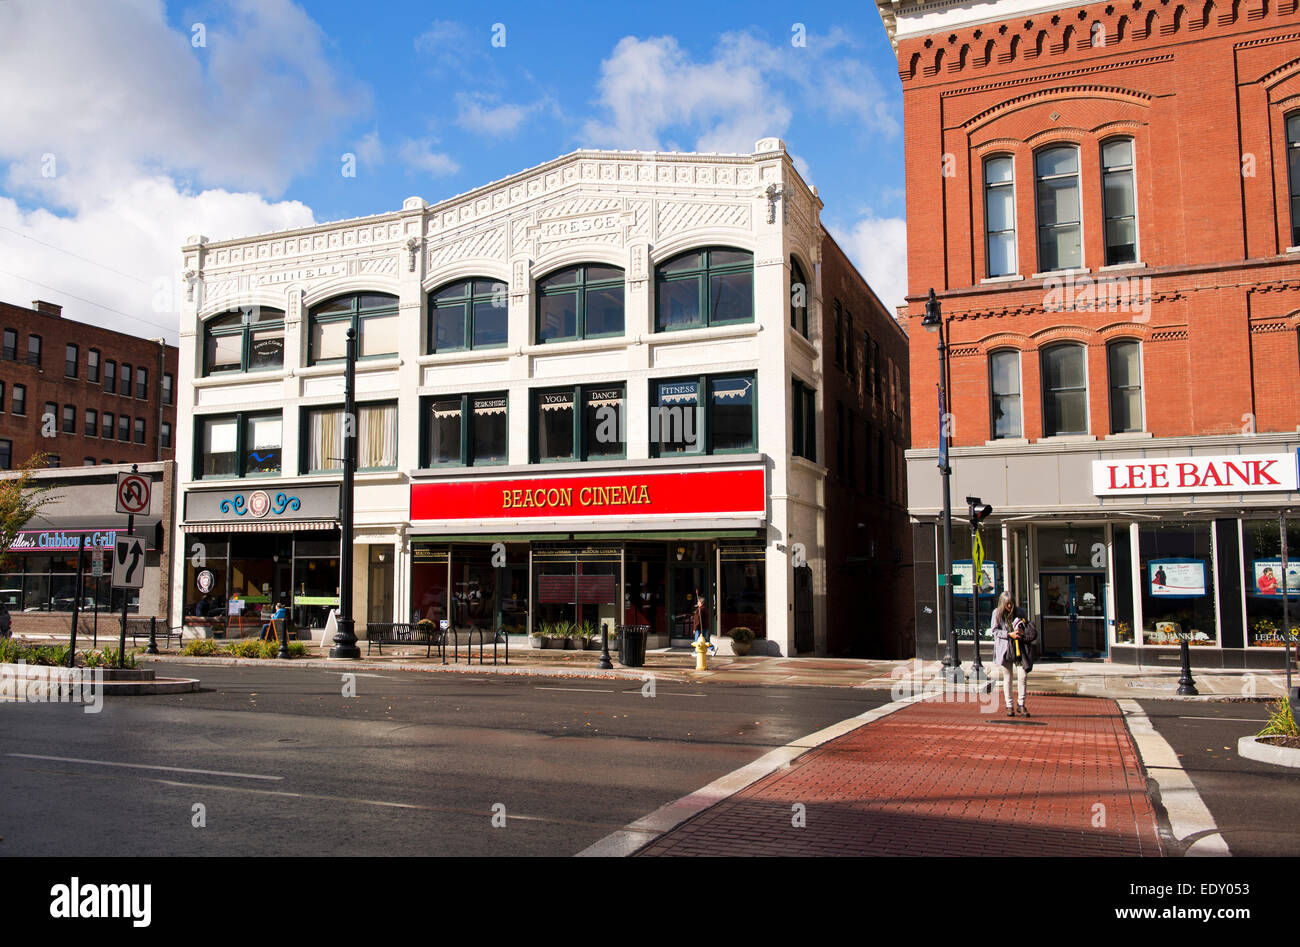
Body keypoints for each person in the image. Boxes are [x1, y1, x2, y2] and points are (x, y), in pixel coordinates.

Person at [991, 591, 1035, 717]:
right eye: (1007, 604)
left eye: (1011, 604)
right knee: (1008, 677)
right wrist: (1009, 634)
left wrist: (1021, 631)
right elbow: (994, 631)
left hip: (1019, 649)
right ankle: (1009, 705)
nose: (1010, 607)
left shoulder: (1020, 611)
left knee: (1023, 676)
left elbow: (1026, 626)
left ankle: (1021, 704)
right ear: (1002, 604)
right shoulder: (996, 613)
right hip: (1005, 649)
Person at [692, 589, 715, 656]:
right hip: (705, 627)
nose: (697, 603)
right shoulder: (704, 609)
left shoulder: (700, 610)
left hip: (700, 628)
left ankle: (697, 652)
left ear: (701, 603)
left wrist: (695, 628)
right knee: (706, 640)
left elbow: (697, 620)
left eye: (698, 602)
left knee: (697, 640)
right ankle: (713, 649)